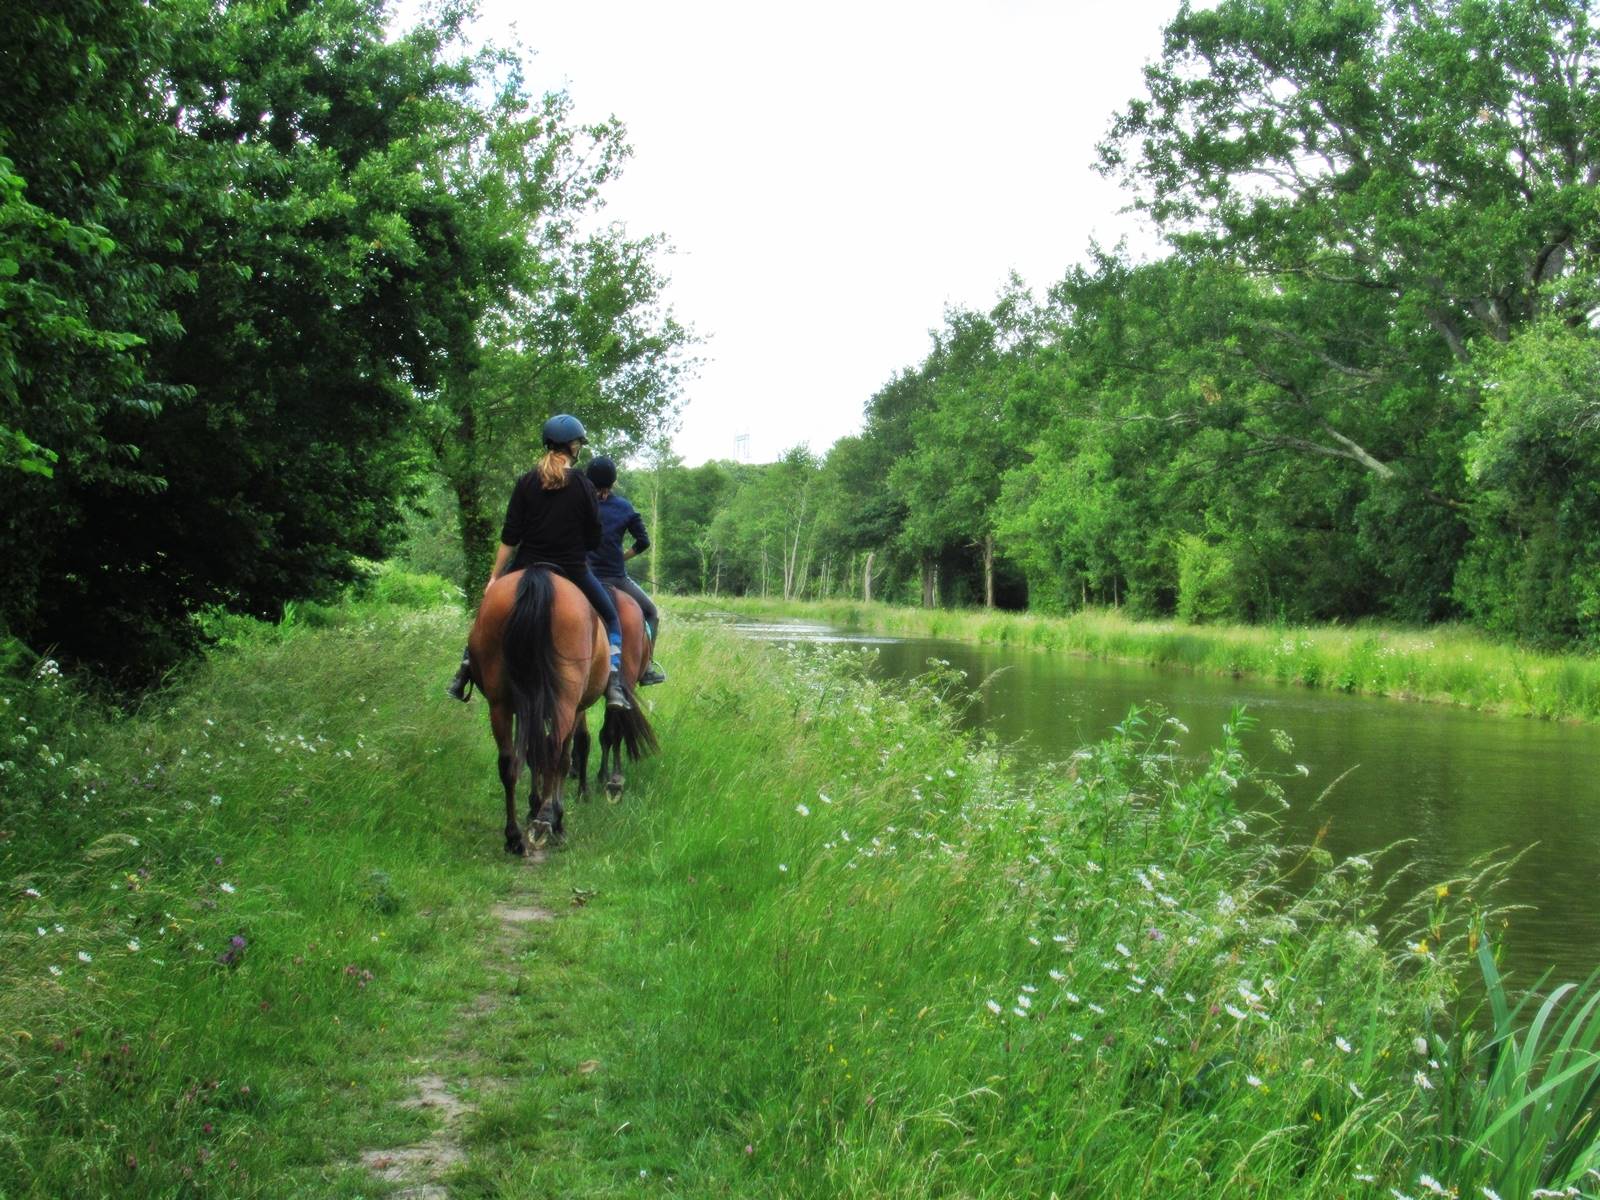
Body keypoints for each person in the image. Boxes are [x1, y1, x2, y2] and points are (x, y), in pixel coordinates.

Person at [446, 414, 630, 710]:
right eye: (578, 443)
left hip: (526, 564)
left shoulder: (526, 481)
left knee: (487, 612)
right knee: (611, 617)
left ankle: (465, 668)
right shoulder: (583, 485)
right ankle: (614, 685)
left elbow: (509, 537)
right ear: (572, 446)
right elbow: (593, 538)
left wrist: (495, 578)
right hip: (573, 569)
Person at [585, 456, 666, 686]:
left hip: (581, 577)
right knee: (651, 613)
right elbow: (643, 541)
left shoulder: (579, 504)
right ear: (613, 481)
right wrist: (623, 556)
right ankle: (648, 665)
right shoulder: (623, 507)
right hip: (616, 579)